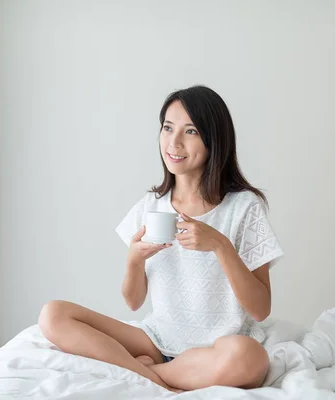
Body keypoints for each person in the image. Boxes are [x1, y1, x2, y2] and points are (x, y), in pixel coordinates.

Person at [38, 85, 284, 392]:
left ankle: (152, 373)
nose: (174, 142)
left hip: (218, 348)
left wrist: (220, 245)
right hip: (157, 339)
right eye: (167, 128)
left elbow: (261, 309)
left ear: (214, 140)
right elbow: (133, 302)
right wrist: (134, 259)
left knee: (251, 359)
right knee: (53, 314)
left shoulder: (244, 206)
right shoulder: (151, 206)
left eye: (190, 131)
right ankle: (159, 375)